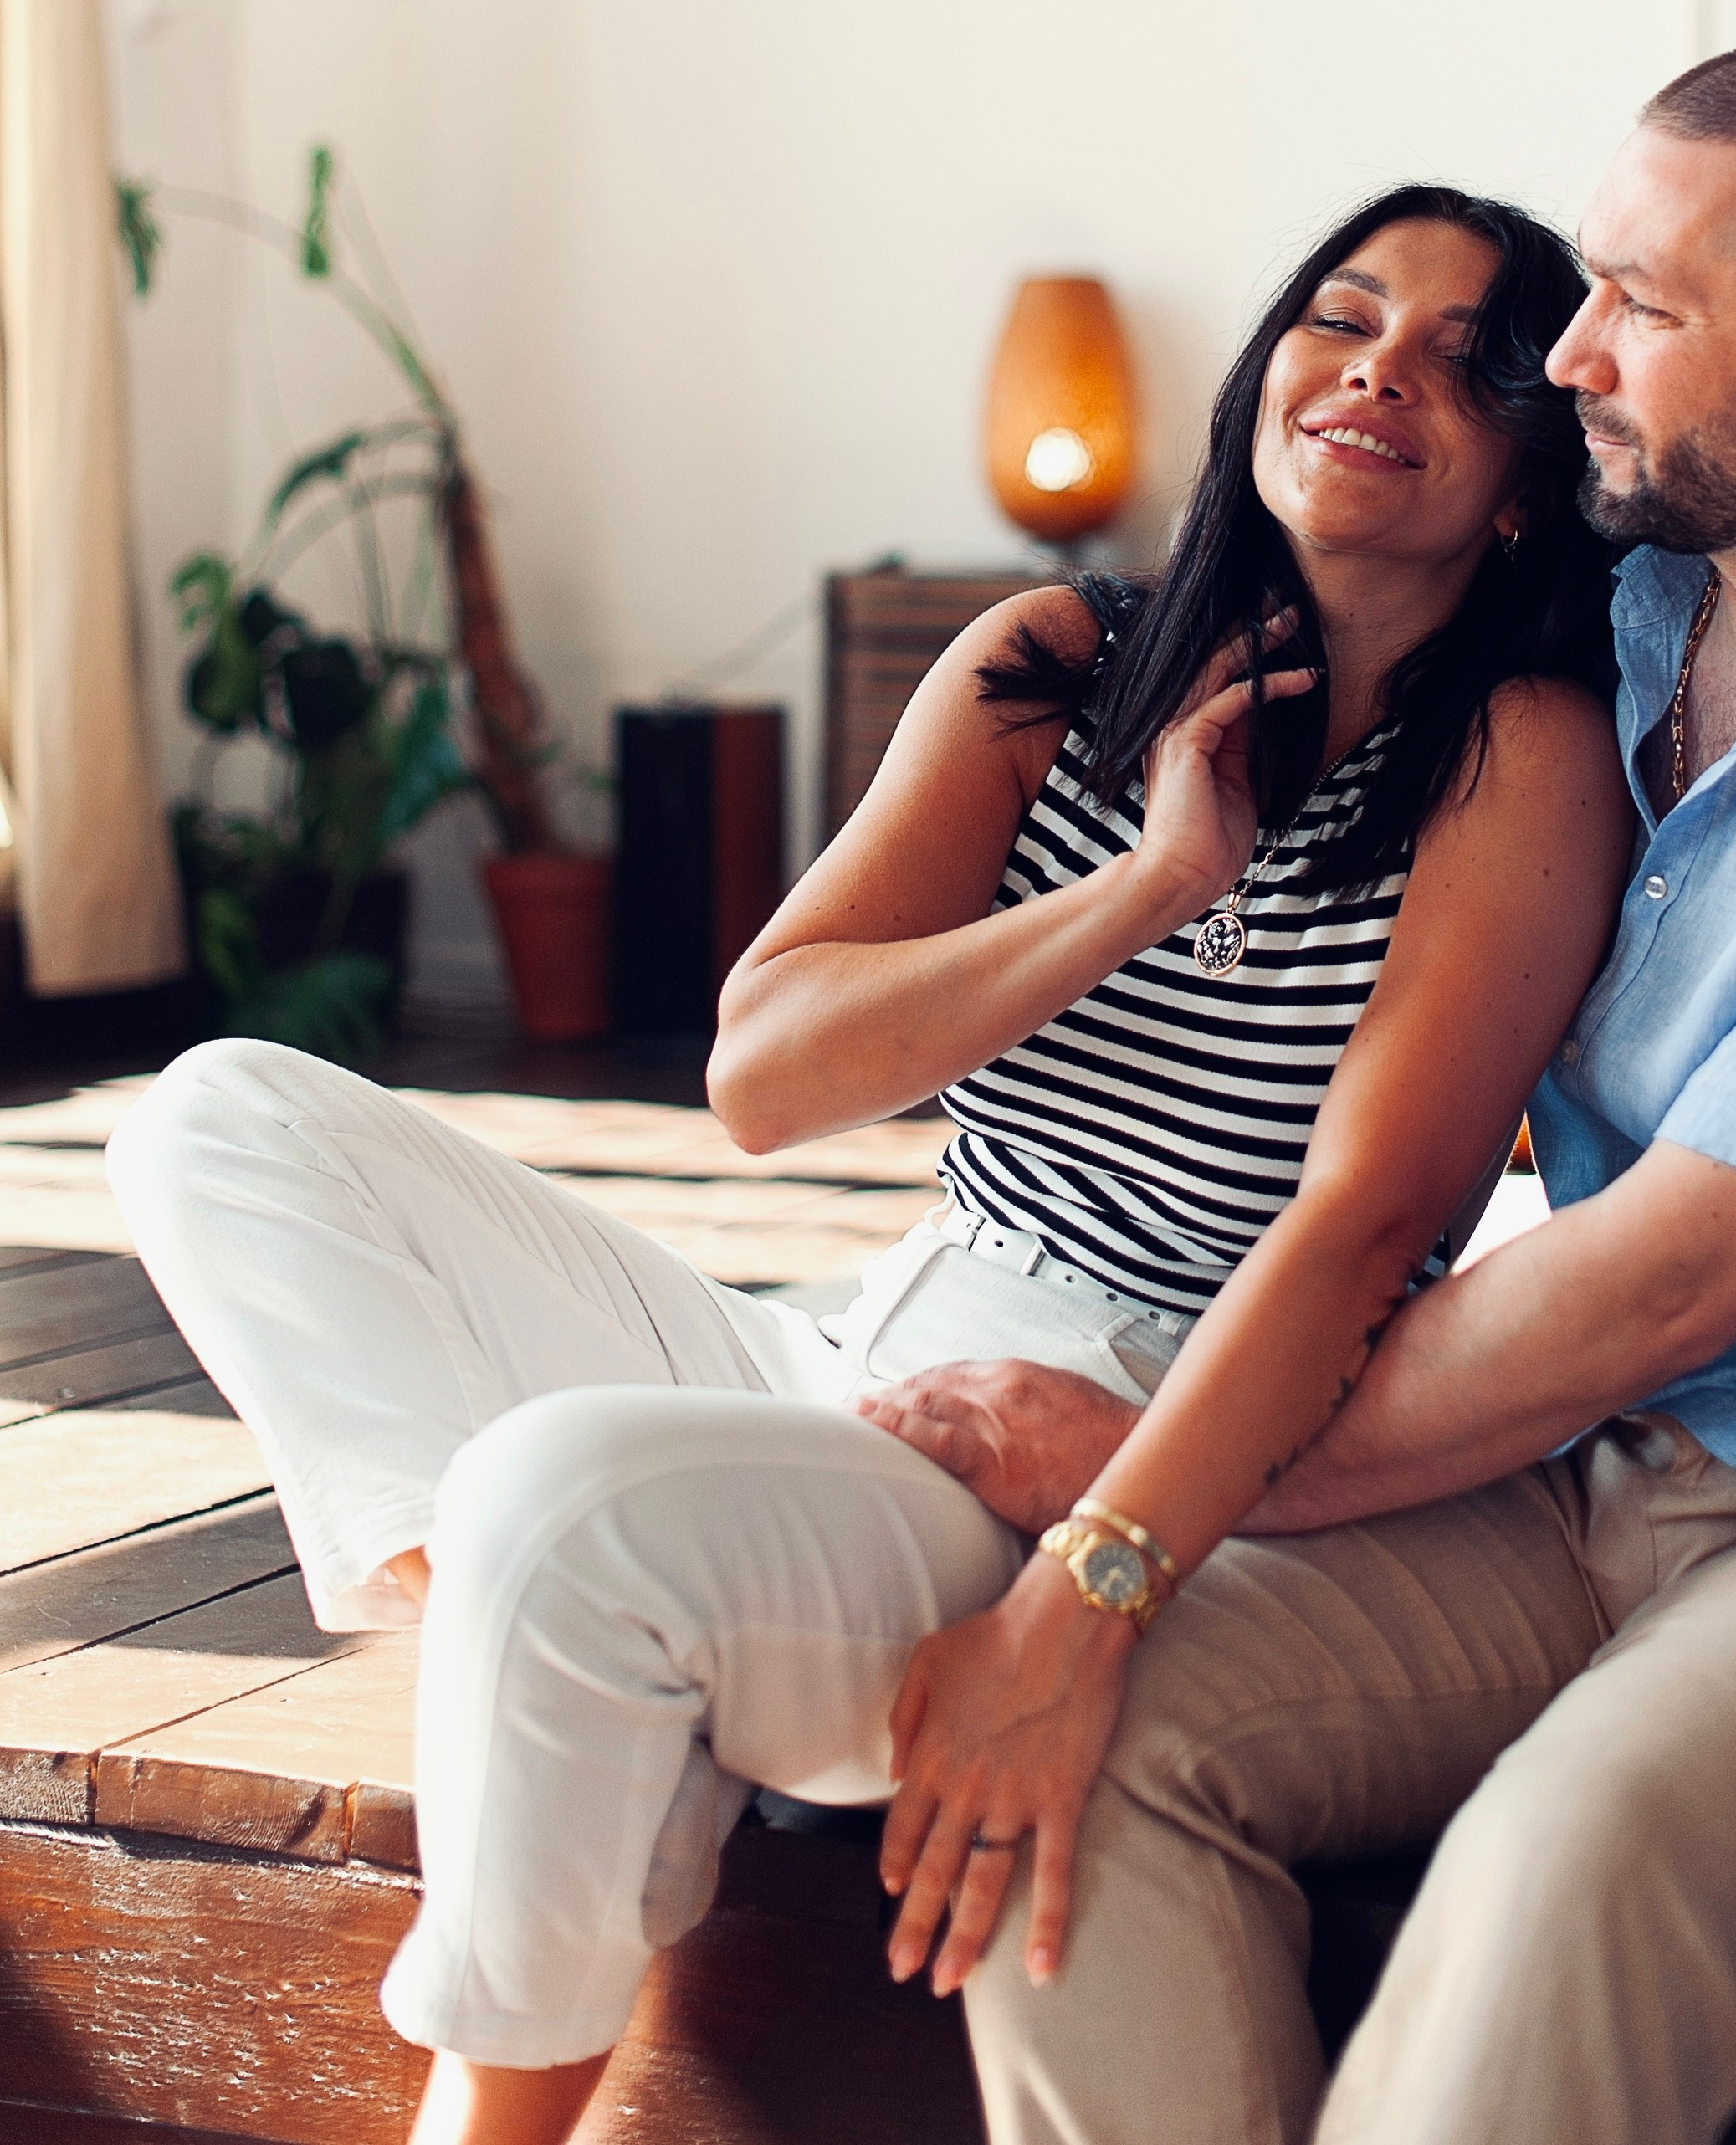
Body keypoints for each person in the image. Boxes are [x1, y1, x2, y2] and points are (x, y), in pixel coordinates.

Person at [106, 179, 1632, 2145]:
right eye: (1340, 317)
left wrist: (1094, 1545)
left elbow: (1356, 1235)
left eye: (1456, 358)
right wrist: (1153, 880)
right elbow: (766, 1076)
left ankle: (489, 2076)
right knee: (222, 1114)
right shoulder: (1055, 658)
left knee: (564, 1502)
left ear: (1523, 477)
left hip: (1116, 1426)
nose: (1374, 369)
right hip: (863, 1339)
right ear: (1263, 373)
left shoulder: (1517, 752)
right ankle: (486, 1605)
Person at [859, 32, 1736, 2145]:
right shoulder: (1612, 621)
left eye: (1643, 305)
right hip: (1613, 1465)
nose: (1566, 357)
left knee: (1571, 1860)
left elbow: (1652, 1281)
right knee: (1082, 1721)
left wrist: (1146, 1496)